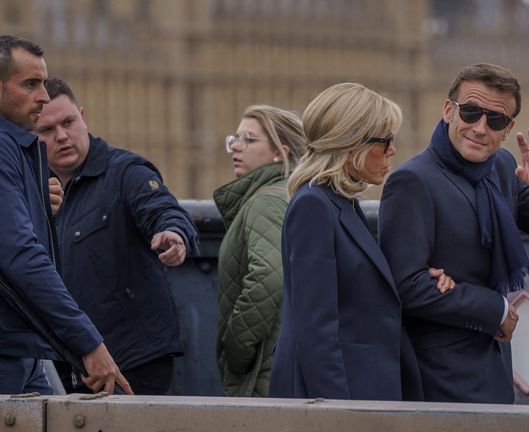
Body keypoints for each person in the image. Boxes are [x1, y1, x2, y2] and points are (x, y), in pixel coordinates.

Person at [378, 63, 529, 404]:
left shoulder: (502, 166)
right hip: (439, 371)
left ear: (508, 128)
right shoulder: (412, 181)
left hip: (495, 364)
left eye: (495, 120)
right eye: (471, 112)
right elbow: (406, 285)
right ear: (448, 111)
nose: (480, 128)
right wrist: (496, 310)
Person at [268, 83, 454, 401]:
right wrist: (341, 415)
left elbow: (363, 289)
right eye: (386, 141)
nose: (393, 150)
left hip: (367, 386)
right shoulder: (313, 206)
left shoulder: (342, 204)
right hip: (339, 395)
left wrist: (428, 280)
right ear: (352, 145)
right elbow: (315, 329)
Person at [33, 75, 199, 395]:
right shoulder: (33, 190)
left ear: (82, 117)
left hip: (131, 359)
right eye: (47, 131)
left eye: (68, 122)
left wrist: (174, 235)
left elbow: (163, 209)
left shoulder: (125, 172)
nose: (62, 136)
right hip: (69, 363)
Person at [0, 35, 131, 395]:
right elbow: (19, 254)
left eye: (43, 82)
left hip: (21, 347)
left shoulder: (19, 147)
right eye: (30, 84)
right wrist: (87, 343)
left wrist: (36, 208)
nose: (44, 96)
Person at [214, 105, 307, 397]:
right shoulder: (293, 194)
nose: (236, 148)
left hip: (262, 373)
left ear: (280, 152)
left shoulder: (265, 201)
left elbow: (269, 276)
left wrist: (236, 346)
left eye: (249, 140)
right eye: (235, 139)